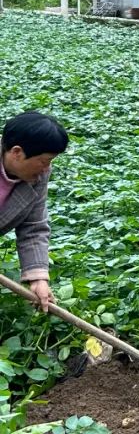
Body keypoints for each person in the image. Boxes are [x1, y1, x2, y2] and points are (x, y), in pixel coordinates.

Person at [0, 112, 69, 312]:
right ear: (17, 152)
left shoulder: (38, 176)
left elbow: (34, 226)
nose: (46, 168)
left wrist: (38, 277)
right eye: (44, 160)